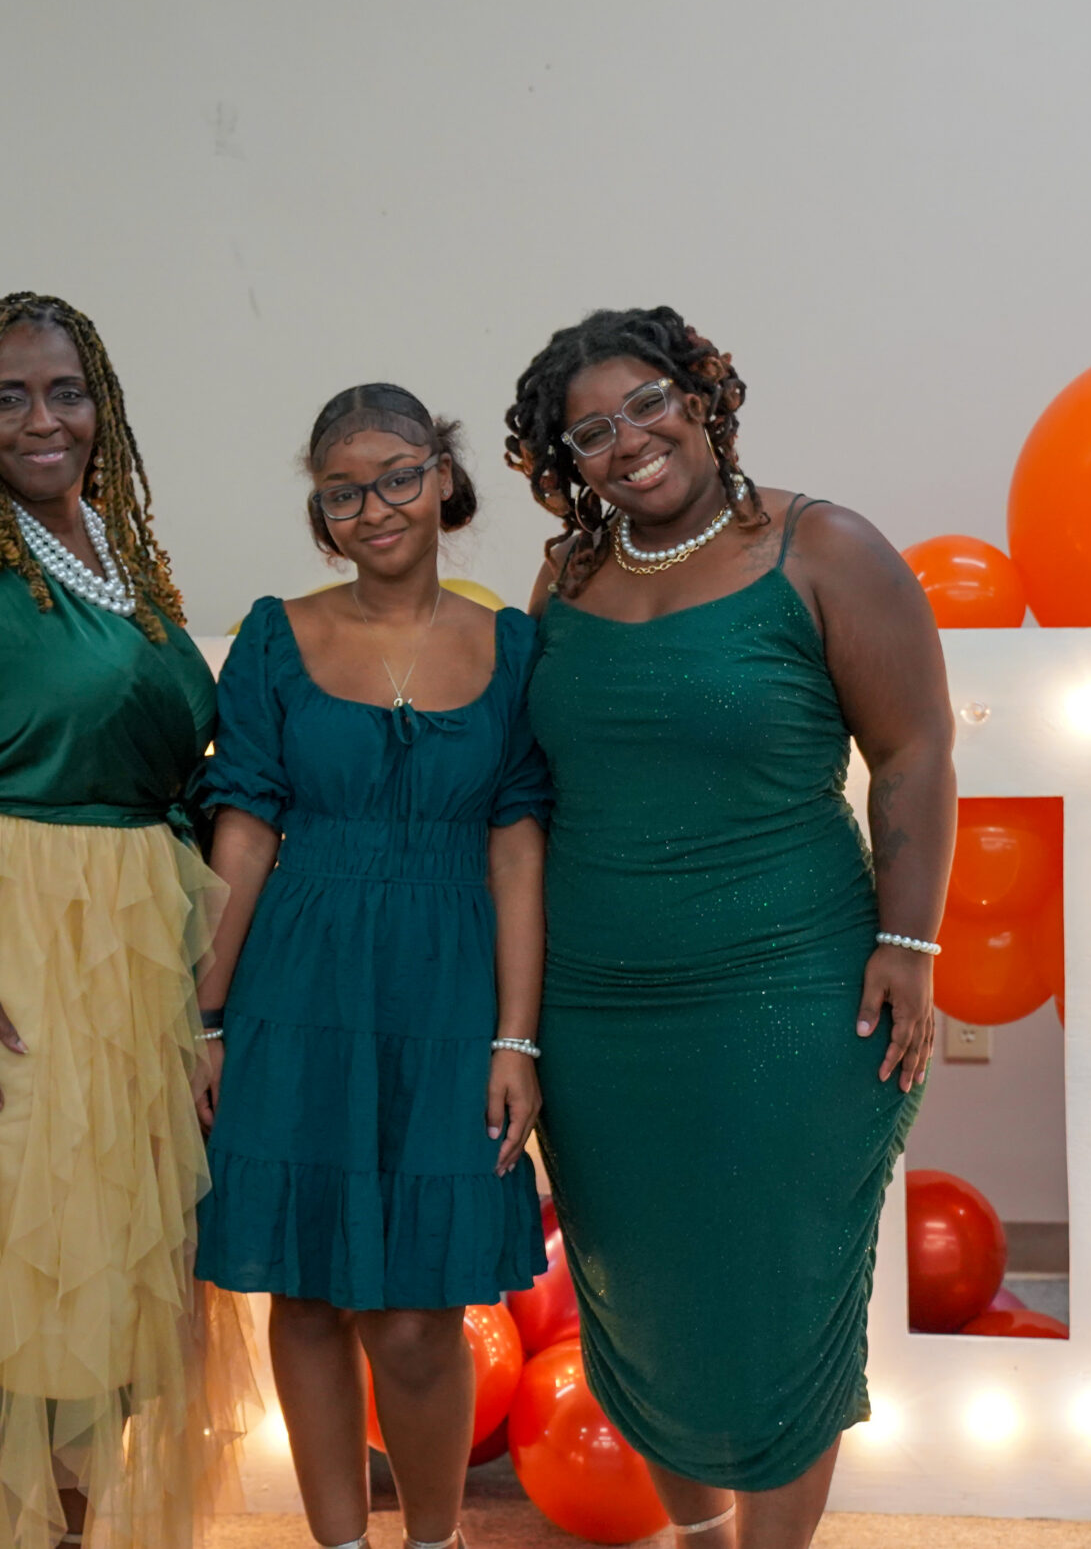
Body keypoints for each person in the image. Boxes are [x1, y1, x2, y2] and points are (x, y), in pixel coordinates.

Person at [502, 308, 956, 1549]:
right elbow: (534, 793)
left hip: (789, 994)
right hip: (595, 1013)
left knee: (777, 1296)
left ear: (701, 399)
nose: (628, 439)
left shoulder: (823, 549)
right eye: (589, 431)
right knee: (638, 1298)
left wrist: (909, 945)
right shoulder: (565, 578)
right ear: (565, 461)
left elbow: (914, 752)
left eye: (648, 402)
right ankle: (701, 1538)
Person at [0, 292, 257, 1549]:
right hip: (5, 946)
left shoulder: (126, 566)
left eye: (65, 392)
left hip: (131, 955)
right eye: (7, 397)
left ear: (102, 407)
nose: (41, 420)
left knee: (116, 1278)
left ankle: (68, 1531)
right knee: (9, 1280)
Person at [194, 384, 550, 1549]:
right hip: (296, 986)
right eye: (342, 491)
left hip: (448, 993)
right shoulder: (274, 635)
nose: (375, 506)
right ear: (321, 512)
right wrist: (204, 1015)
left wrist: (516, 1037)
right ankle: (339, 1542)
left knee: (415, 1315)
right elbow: (243, 833)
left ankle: (434, 1538)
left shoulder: (512, 647)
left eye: (398, 475)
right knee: (304, 1294)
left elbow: (517, 848)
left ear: (443, 477)